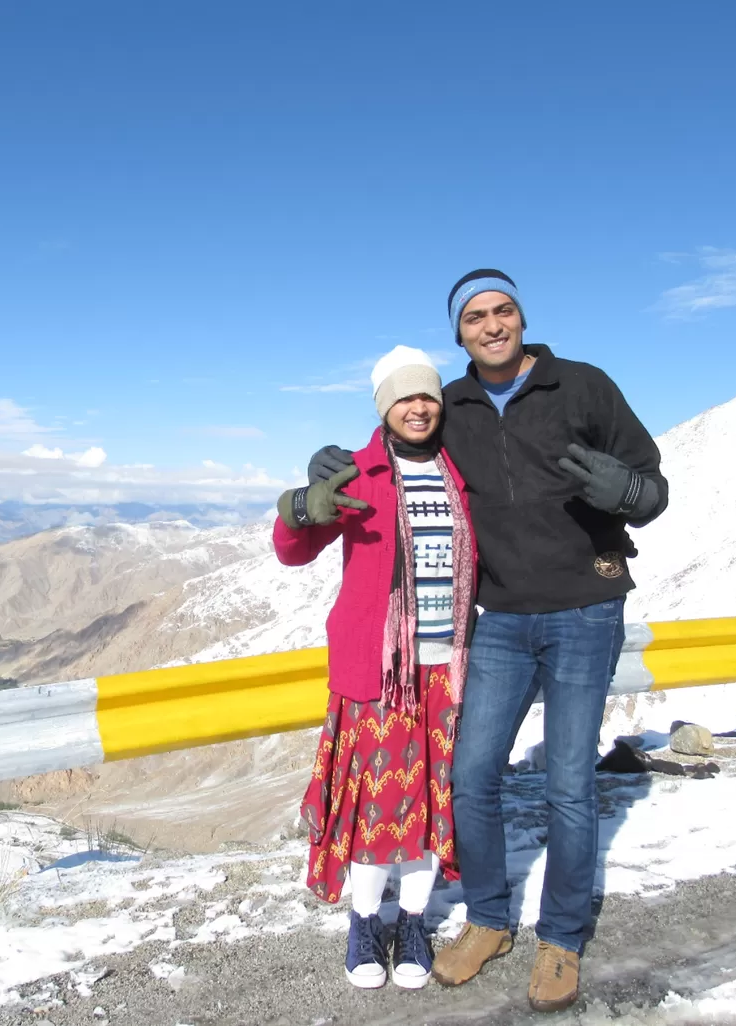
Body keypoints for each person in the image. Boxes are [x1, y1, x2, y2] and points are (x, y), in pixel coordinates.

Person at [306, 269, 667, 1012]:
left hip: (585, 608)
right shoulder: (455, 406)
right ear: (459, 333)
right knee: (471, 776)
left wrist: (629, 494)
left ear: (522, 317)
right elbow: (395, 448)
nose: (492, 324)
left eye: (504, 310)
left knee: (569, 782)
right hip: (497, 620)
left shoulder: (583, 386)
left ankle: (562, 937)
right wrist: (326, 469)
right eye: (475, 316)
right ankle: (490, 920)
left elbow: (653, 483)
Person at [273, 345, 479, 991]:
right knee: (375, 809)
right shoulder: (358, 473)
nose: (417, 407)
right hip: (380, 670)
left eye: (427, 396)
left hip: (450, 668)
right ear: (384, 407)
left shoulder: (460, 471)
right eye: (403, 397)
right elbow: (292, 551)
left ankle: (413, 921)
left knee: (428, 809)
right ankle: (365, 922)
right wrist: (304, 502)